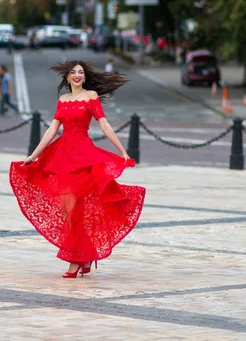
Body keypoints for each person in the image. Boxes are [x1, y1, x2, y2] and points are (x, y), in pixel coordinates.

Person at [9, 60, 145, 278]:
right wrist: (34, 156)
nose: (77, 75)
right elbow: (51, 131)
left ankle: (76, 260)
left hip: (83, 157)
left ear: (84, 76)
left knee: (74, 208)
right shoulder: (62, 100)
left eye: (80, 72)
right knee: (68, 210)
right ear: (67, 77)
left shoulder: (90, 96)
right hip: (63, 157)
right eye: (73, 72)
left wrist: (122, 151)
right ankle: (86, 254)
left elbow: (104, 125)